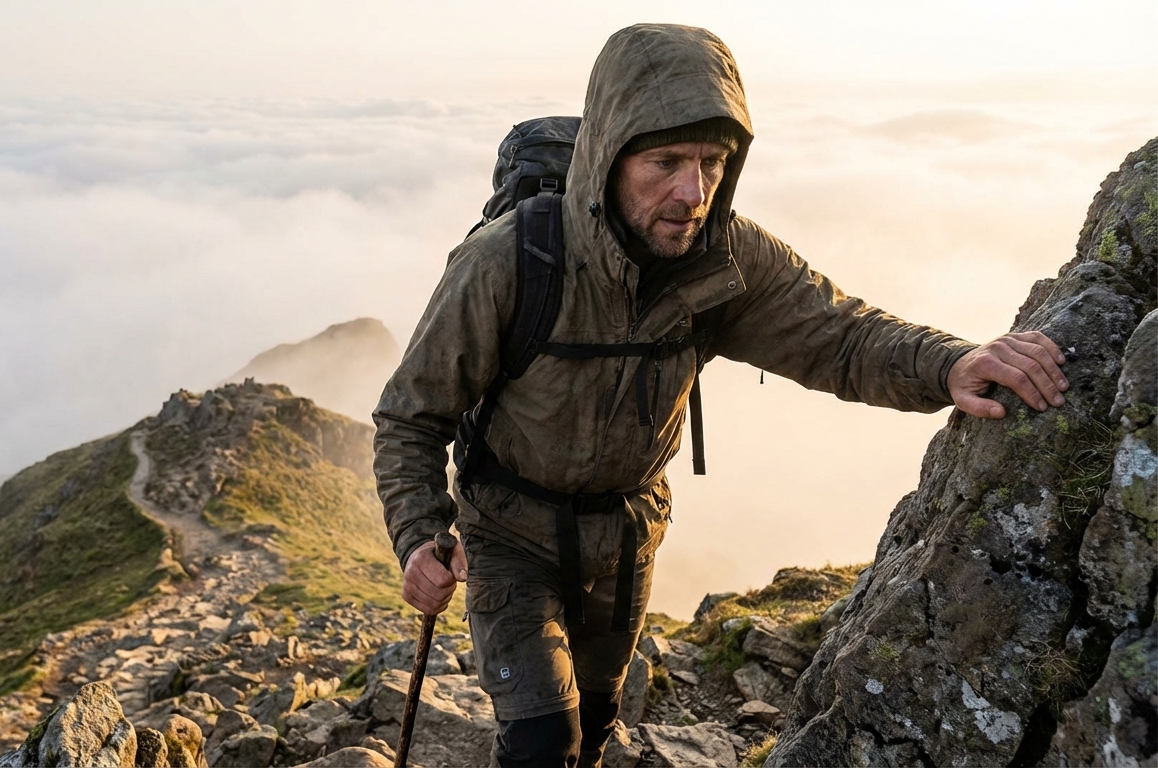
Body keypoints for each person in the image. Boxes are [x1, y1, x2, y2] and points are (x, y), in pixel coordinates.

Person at [372, 23, 1068, 768]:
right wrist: (419, 534)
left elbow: (840, 336)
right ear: (608, 159)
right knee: (544, 740)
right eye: (665, 162)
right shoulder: (509, 262)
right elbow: (410, 418)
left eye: (712, 162)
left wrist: (951, 363)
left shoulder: (724, 261)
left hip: (628, 534)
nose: (691, 191)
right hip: (508, 536)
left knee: (600, 720)